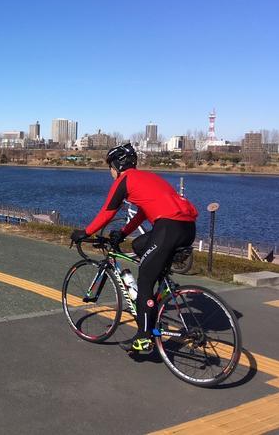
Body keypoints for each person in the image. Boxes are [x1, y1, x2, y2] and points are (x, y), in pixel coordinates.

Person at [70, 143, 198, 354]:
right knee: (139, 245)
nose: (110, 172)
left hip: (168, 227)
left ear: (117, 166)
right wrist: (123, 232)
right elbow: (142, 213)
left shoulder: (125, 179)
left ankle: (143, 337)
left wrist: (85, 232)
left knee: (145, 279)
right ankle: (162, 291)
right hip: (187, 228)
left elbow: (107, 212)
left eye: (110, 167)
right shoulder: (149, 177)